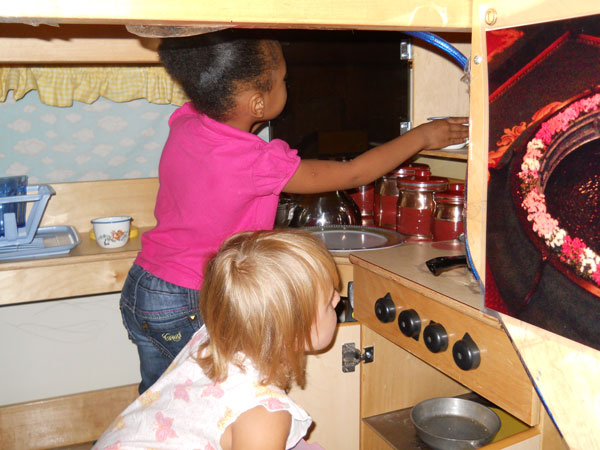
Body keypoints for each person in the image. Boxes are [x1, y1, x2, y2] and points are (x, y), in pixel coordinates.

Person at [121, 29, 469, 394]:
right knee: (208, 402)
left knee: (160, 398)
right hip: (190, 298)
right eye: (282, 80)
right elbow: (355, 173)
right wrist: (423, 137)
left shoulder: (187, 121)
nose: (288, 86)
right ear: (258, 103)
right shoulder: (256, 162)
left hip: (144, 287)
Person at [95, 230, 341, 450]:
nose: (339, 299)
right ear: (292, 332)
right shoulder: (264, 415)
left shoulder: (214, 335)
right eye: (329, 302)